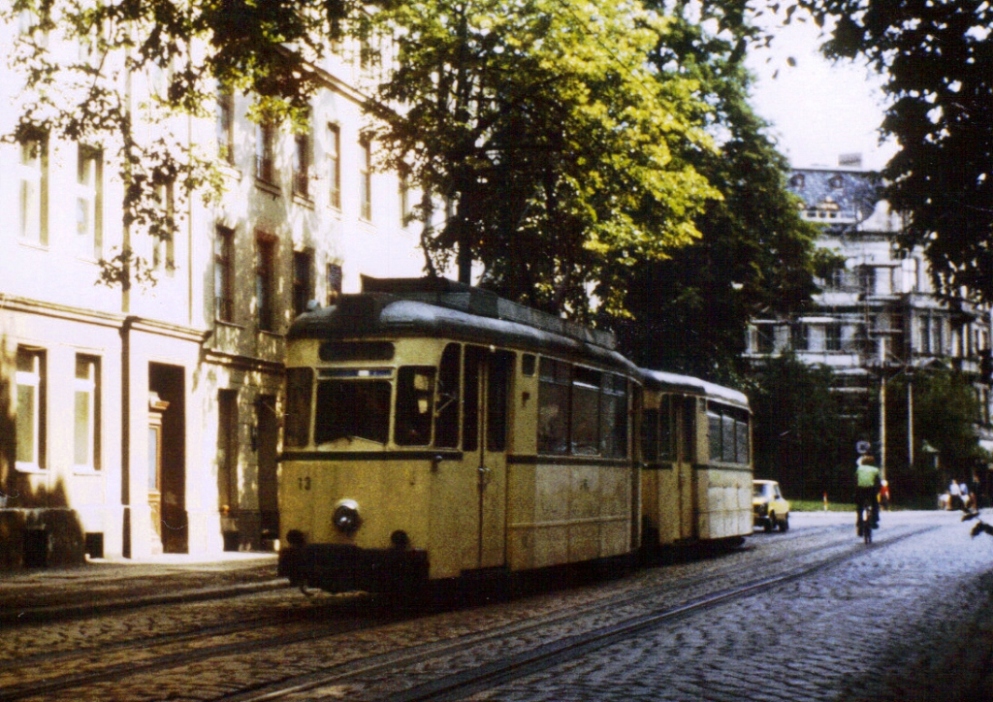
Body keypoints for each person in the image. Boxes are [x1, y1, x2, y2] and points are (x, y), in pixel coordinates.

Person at [855, 456, 882, 535]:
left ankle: (859, 521)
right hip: (871, 489)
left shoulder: (859, 469)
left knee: (859, 506)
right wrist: (878, 490)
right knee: (875, 504)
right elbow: (877, 481)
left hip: (860, 489)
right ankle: (874, 520)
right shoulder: (875, 470)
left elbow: (855, 479)